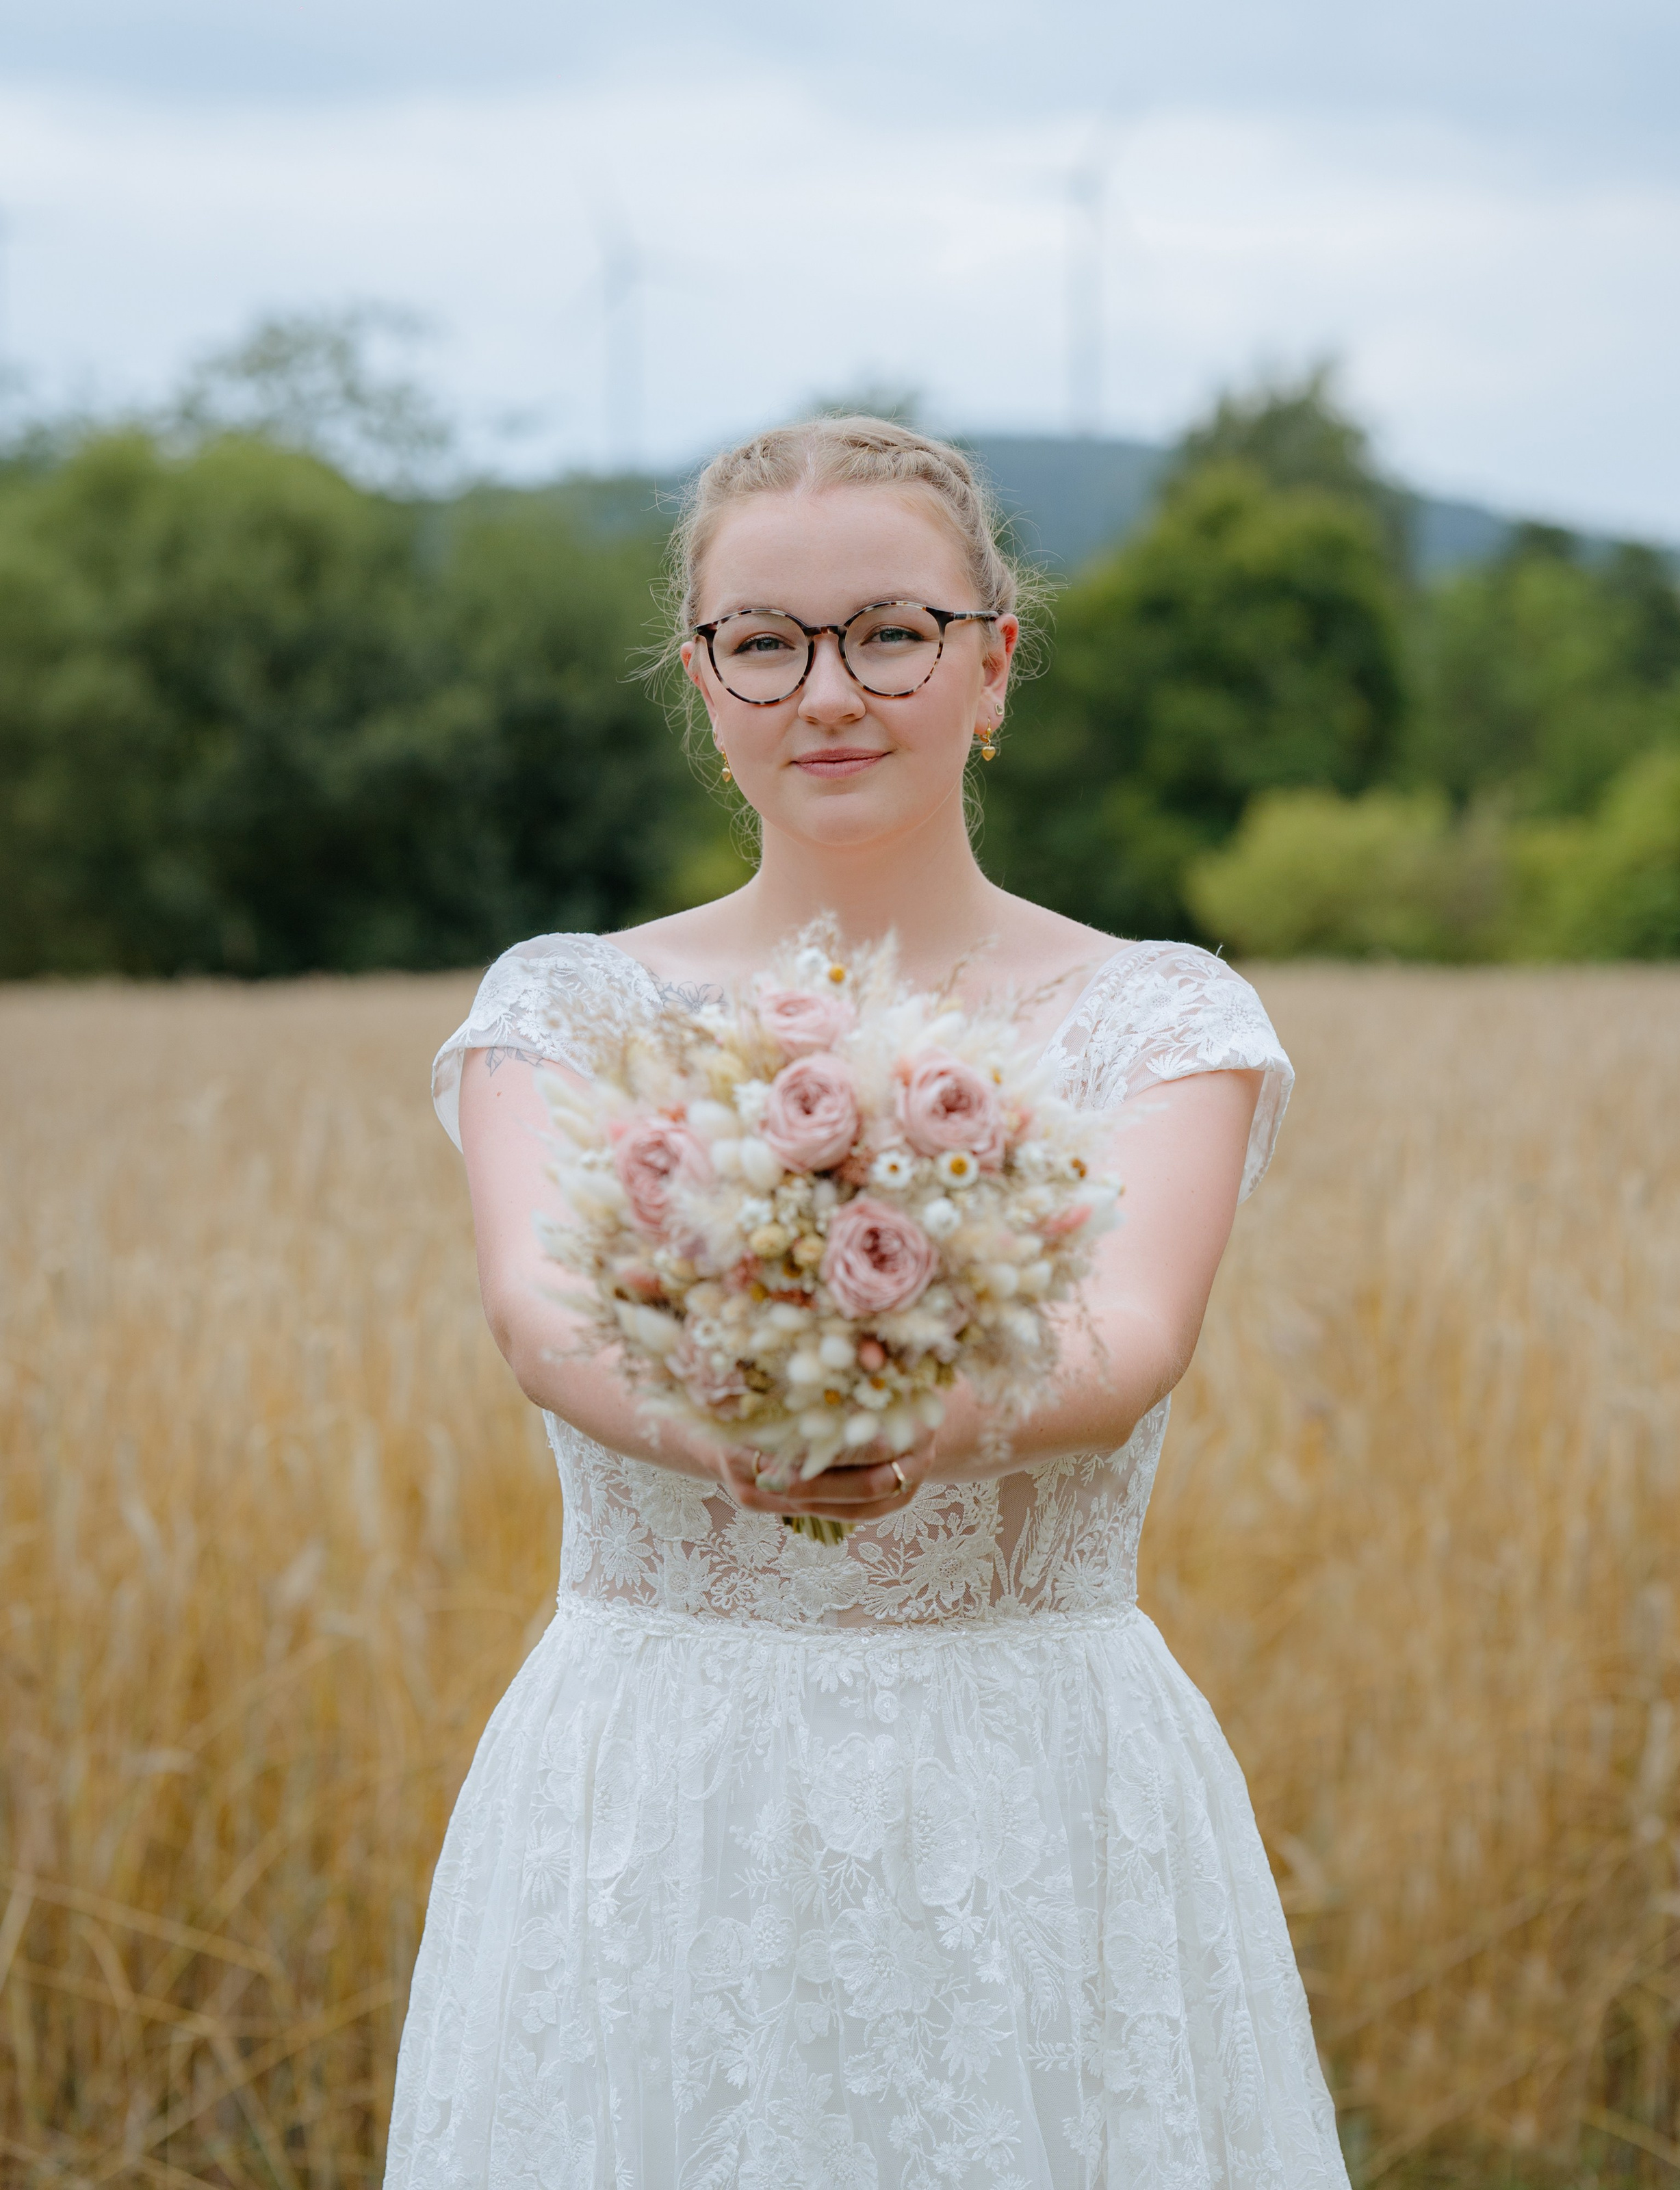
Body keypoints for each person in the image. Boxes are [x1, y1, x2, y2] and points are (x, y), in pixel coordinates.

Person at [384, 416, 1347, 2188]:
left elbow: (1126, 1347)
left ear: (992, 665)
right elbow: (538, 1309)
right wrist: (734, 1431)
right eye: (766, 640)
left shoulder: (1162, 1013)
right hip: (653, 1794)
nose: (828, 689)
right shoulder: (566, 1007)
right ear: (705, 680)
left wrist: (905, 1429)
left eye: (890, 631)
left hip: (1037, 1789)